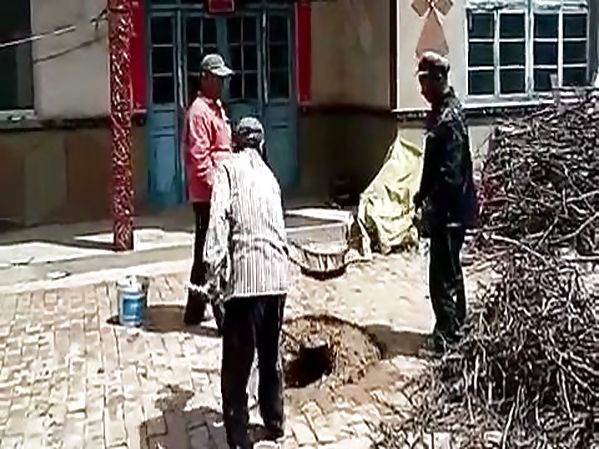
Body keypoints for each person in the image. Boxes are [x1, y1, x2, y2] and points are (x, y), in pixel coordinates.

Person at [202, 117, 289, 449]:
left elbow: (217, 222)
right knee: (269, 354)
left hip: (247, 281)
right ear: (261, 144)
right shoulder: (270, 177)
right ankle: (274, 420)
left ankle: (239, 437)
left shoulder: (227, 169)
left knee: (237, 364)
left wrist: (213, 274)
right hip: (277, 278)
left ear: (235, 143)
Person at [413, 51, 478, 353]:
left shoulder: (449, 119)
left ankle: (446, 339)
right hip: (448, 209)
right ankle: (457, 329)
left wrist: (432, 208)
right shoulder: (442, 112)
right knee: (450, 271)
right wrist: (421, 195)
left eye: (425, 82)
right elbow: (433, 166)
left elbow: (450, 175)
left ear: (439, 79)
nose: (422, 90)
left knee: (442, 276)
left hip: (450, 212)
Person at [182, 53, 234, 326]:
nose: (222, 84)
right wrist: (219, 190)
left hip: (219, 190)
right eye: (217, 79)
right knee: (210, 252)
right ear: (205, 79)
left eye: (223, 79)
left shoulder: (216, 108)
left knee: (207, 251)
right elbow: (199, 159)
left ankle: (195, 309)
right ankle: (220, 311)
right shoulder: (199, 112)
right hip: (208, 195)